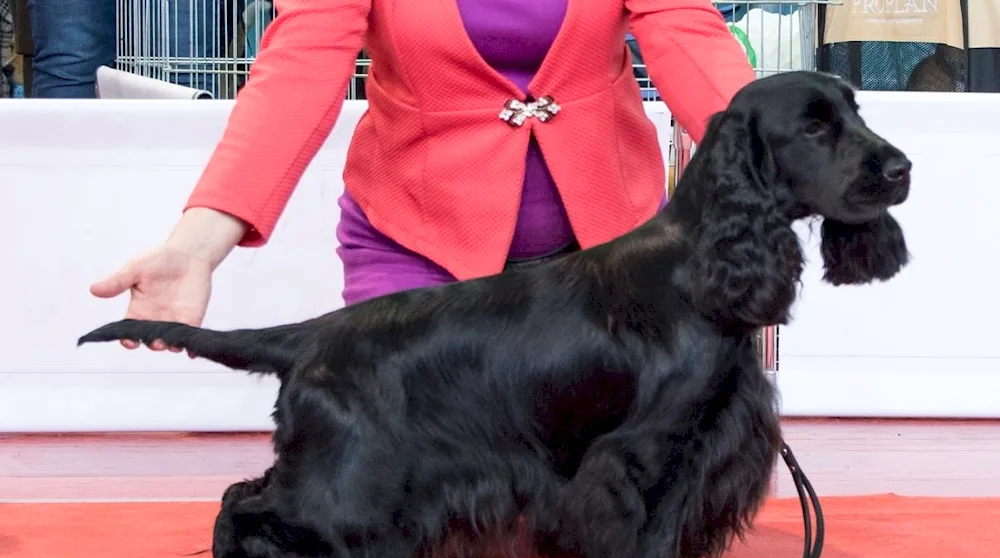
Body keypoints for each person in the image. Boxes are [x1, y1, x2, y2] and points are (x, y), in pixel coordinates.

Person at [91, 0, 756, 352]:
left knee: (602, 511)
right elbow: (298, 69)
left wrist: (781, 157)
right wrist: (193, 247)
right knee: (445, 513)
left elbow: (687, 34)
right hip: (416, 243)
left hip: (615, 247)